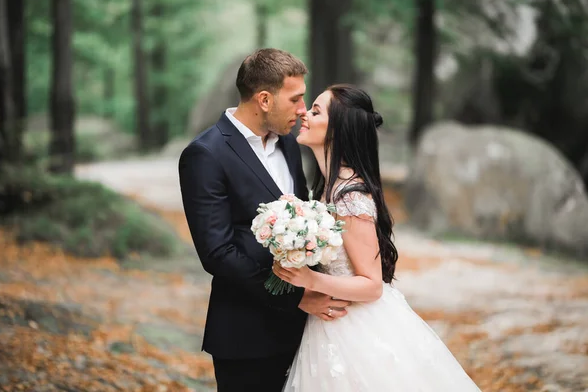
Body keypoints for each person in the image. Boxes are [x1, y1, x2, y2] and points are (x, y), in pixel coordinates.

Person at [273, 84, 482, 391]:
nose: (304, 113)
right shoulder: (326, 190)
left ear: (338, 129)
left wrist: (310, 280)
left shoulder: (349, 196)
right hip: (329, 327)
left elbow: (372, 285)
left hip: (357, 331)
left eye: (316, 111)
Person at [178, 49, 351, 392]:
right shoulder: (205, 154)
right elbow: (217, 252)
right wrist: (295, 298)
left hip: (308, 331)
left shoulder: (288, 143)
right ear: (265, 99)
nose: (303, 109)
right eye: (296, 98)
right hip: (247, 335)